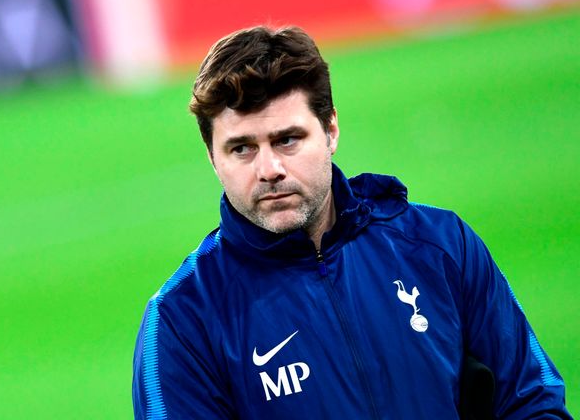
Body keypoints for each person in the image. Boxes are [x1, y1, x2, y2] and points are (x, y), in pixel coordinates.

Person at [132, 26, 571, 419]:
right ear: (213, 158)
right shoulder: (182, 319)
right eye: (242, 148)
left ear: (331, 130)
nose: (269, 169)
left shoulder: (439, 246)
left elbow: (533, 402)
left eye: (288, 140)